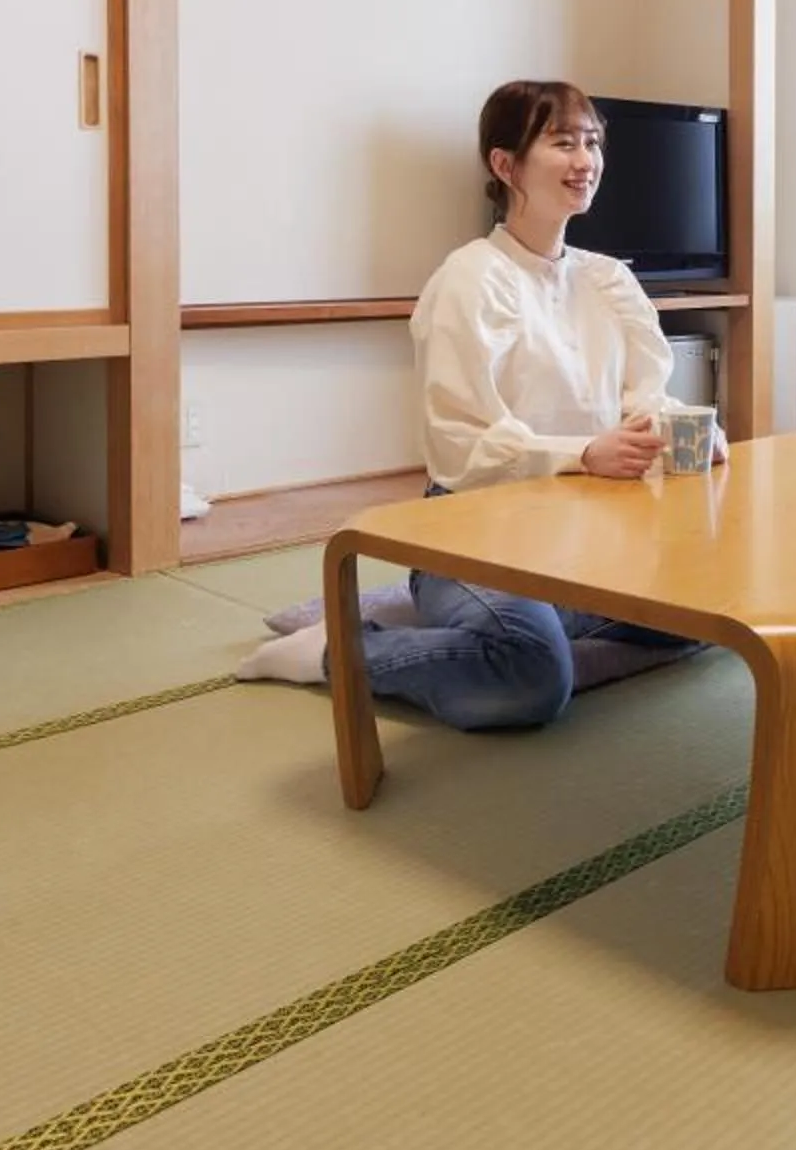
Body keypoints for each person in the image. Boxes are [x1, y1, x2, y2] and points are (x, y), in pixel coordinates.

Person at [236, 80, 702, 727]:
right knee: (531, 678)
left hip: (588, 532)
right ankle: (336, 649)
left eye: (592, 143)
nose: (585, 160)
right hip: (475, 533)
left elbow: (647, 394)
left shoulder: (608, 279)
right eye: (563, 142)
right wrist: (584, 452)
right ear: (505, 164)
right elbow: (458, 446)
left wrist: (679, 432)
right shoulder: (468, 279)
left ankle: (540, 622)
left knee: (715, 606)